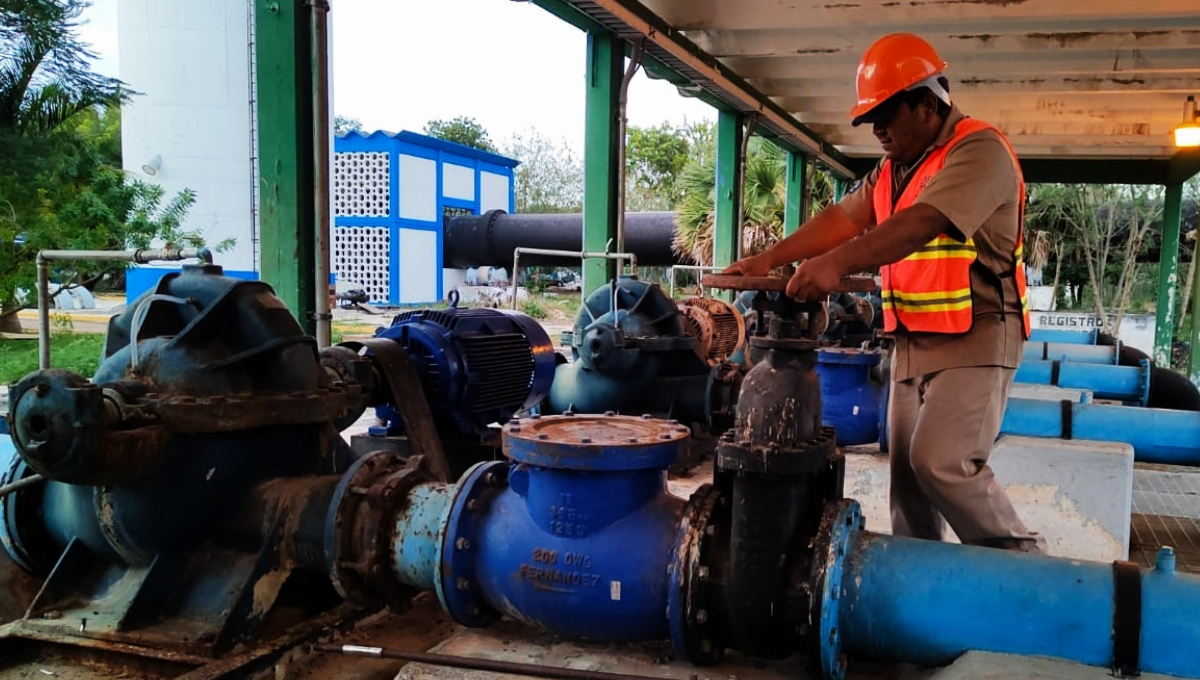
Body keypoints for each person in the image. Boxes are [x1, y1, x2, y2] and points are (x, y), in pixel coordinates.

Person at [723, 33, 1041, 552]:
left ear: (926, 104)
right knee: (908, 485)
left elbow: (921, 224)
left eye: (886, 116)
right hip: (913, 341)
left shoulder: (980, 151)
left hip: (977, 336)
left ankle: (1027, 575)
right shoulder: (894, 169)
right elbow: (846, 217)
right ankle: (916, 598)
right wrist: (769, 259)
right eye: (870, 121)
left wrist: (836, 264)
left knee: (941, 463)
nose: (877, 131)